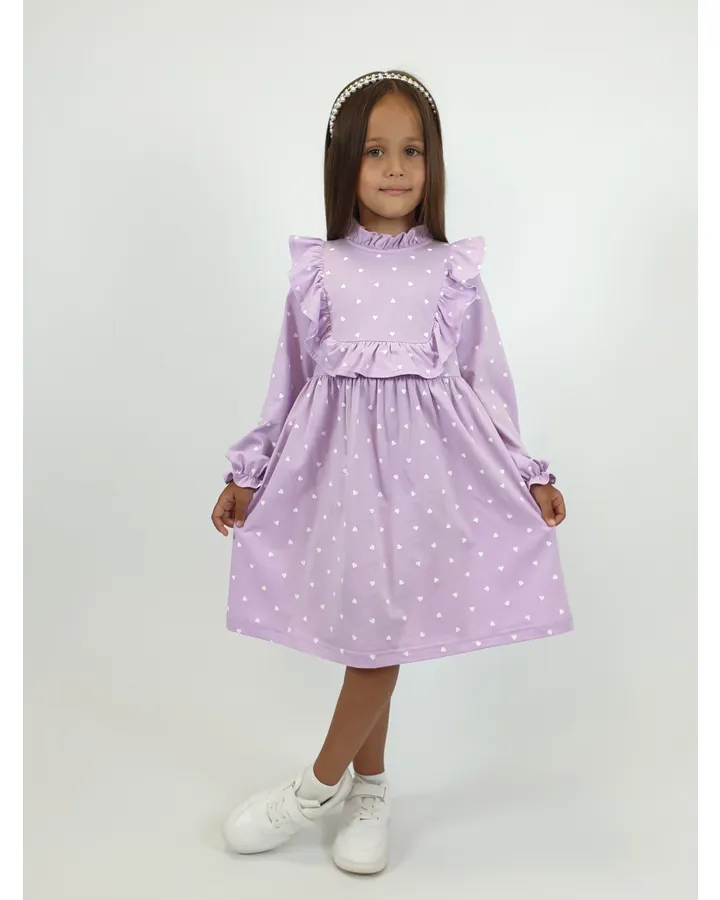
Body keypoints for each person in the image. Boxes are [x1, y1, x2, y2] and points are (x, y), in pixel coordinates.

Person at [211, 69, 572, 875]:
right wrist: (251, 471)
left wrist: (527, 471)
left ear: (433, 163)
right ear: (345, 161)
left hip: (428, 477)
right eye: (376, 151)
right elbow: (289, 378)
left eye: (413, 151)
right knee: (367, 629)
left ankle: (314, 789)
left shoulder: (451, 271)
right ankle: (369, 787)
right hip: (337, 477)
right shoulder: (320, 268)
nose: (396, 168)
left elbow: (486, 380)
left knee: (380, 635)